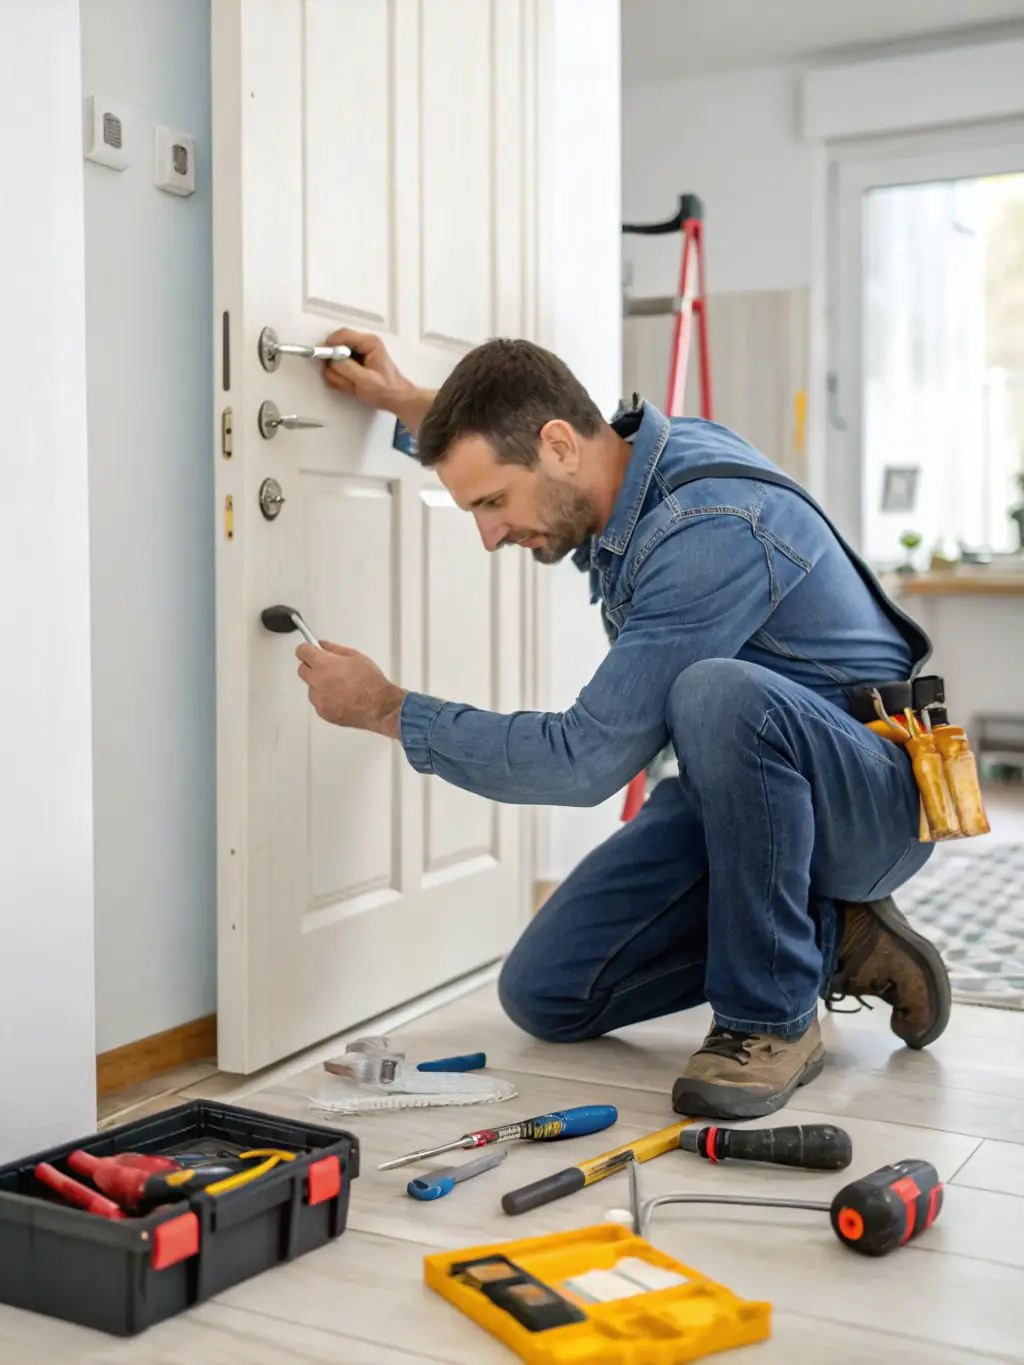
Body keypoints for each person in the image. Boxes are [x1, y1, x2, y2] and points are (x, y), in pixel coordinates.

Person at [295, 326, 951, 1121]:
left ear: (561, 446)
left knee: (715, 693)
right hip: (746, 791)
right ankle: (835, 931)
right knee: (547, 990)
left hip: (871, 797)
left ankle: (769, 1019)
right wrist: (405, 401)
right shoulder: (615, 467)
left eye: (492, 503)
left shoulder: (709, 529)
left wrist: (389, 709)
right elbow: (521, 443)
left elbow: (584, 762)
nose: (489, 534)